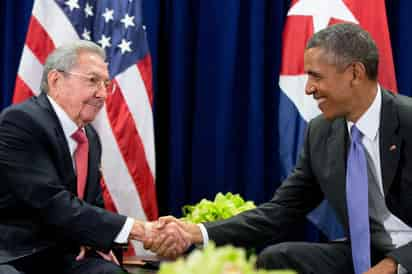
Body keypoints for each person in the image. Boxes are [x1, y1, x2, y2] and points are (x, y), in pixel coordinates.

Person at [145, 23, 412, 274]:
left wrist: (394, 264)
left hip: (406, 255)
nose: (308, 89)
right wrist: (195, 232)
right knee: (277, 258)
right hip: (369, 254)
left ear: (355, 73)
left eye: (315, 76)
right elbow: (281, 210)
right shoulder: (321, 132)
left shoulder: (407, 120)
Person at [0, 40, 187, 274]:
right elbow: (51, 202)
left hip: (68, 253)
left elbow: (93, 204)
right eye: (92, 81)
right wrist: (140, 230)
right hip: (20, 256)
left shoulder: (89, 136)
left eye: (106, 84)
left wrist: (97, 240)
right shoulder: (21, 122)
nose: (103, 94)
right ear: (56, 80)